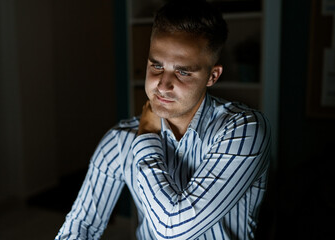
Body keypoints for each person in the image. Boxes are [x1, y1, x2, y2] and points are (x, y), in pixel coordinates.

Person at [55, 0, 271, 239]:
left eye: (182, 72)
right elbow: (81, 225)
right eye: (156, 66)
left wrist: (147, 135)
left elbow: (173, 230)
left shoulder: (244, 130)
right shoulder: (120, 140)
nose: (162, 85)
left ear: (212, 76)